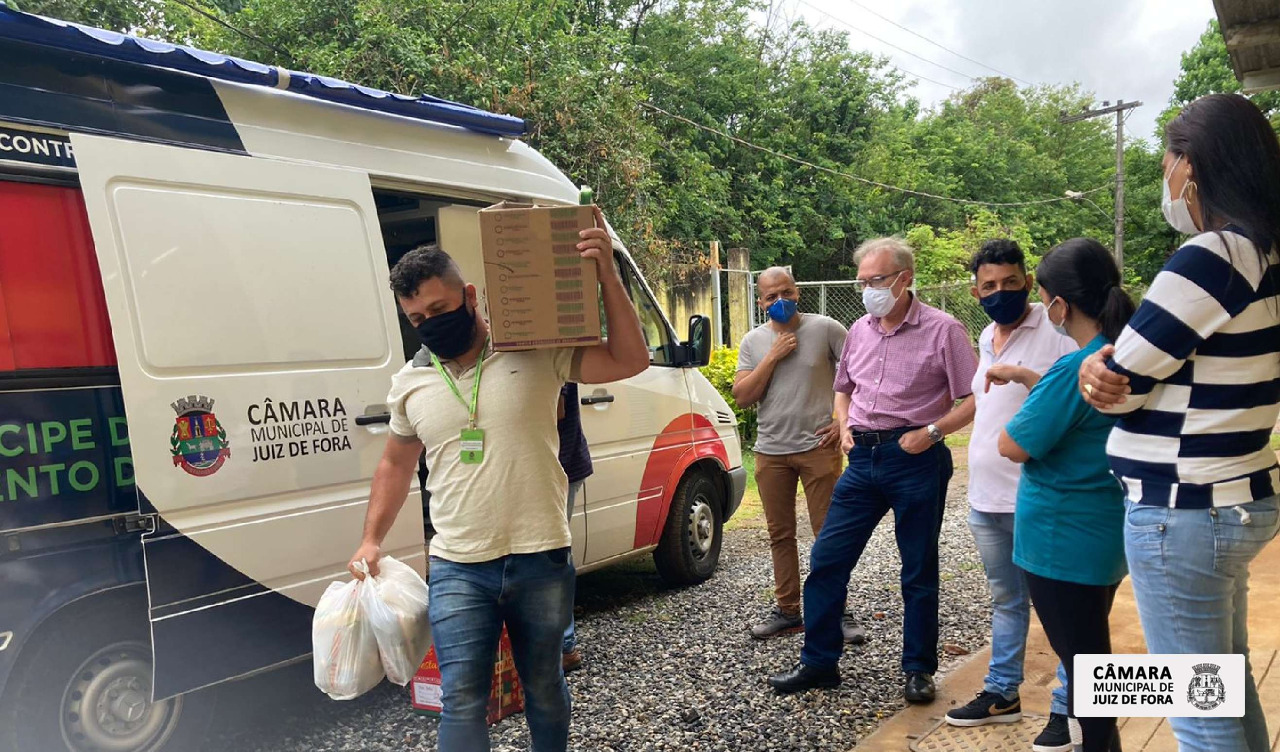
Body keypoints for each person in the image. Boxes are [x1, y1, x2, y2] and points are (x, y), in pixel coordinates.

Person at [347, 206, 648, 752]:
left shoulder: (536, 351)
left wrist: (605, 273)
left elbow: (630, 359)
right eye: (417, 318)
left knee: (544, 687)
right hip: (458, 565)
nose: (431, 323)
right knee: (461, 699)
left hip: (540, 555)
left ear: (472, 297)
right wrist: (371, 539)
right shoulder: (409, 384)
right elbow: (394, 463)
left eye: (439, 308)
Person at [1080, 93, 1280, 751]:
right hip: (1234, 498)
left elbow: (1121, 386)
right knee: (1221, 689)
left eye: (1166, 160)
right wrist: (1117, 374)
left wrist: (1103, 375)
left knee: (1196, 713)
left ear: (1190, 167)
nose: (1164, 176)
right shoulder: (1266, 257)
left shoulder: (1211, 256)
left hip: (1181, 508)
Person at [768, 237, 977, 704]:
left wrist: (933, 433)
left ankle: (919, 669)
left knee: (918, 568)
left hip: (916, 459)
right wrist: (843, 424)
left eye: (876, 280)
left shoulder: (944, 330)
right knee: (826, 562)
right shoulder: (859, 329)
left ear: (904, 279)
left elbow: (973, 397)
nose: (867, 290)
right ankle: (820, 662)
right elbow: (844, 387)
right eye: (862, 281)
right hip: (862, 460)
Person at [998, 237, 1134, 752]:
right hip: (1104, 537)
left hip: (1059, 545)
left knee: (1092, 679)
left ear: (1059, 305)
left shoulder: (1075, 366)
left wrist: (1034, 387)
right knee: (1092, 666)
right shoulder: (1128, 355)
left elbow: (1013, 444)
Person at [943, 240, 1075, 752]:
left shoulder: (1058, 330)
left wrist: (1024, 375)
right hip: (985, 500)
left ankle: (1068, 708)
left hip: (1038, 497)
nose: (1001, 293)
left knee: (1063, 609)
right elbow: (986, 404)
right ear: (976, 291)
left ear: (1027, 280)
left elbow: (1077, 396)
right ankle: (1002, 694)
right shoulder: (985, 334)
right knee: (1006, 601)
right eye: (990, 286)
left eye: (1011, 282)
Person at [733, 267, 865, 644]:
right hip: (771, 451)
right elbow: (743, 396)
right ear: (760, 301)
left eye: (785, 293)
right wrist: (773, 356)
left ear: (798, 292)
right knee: (780, 534)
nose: (779, 302)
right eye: (771, 297)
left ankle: (837, 610)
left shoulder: (826, 328)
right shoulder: (753, 342)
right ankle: (788, 611)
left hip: (818, 449)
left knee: (829, 534)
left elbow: (860, 376)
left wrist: (845, 421)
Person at [557, 382, 592, 673]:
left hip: (559, 468)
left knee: (554, 552)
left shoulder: (544, 346)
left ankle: (565, 646)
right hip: (548, 466)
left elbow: (554, 411)